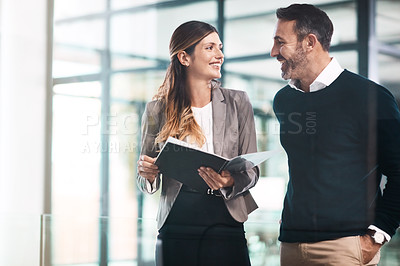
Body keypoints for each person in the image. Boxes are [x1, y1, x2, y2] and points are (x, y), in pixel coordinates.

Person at [270, 4, 400, 266]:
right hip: (290, 244)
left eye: (280, 42)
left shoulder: (372, 97)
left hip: (346, 247)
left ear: (309, 42)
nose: (273, 52)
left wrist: (377, 235)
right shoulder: (283, 101)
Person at [136, 20, 259, 266]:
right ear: (184, 57)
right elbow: (144, 177)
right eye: (210, 47)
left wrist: (230, 181)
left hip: (226, 216)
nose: (220, 55)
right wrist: (148, 174)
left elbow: (252, 171)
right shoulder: (156, 110)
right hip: (177, 220)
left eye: (220, 47)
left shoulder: (239, 102)